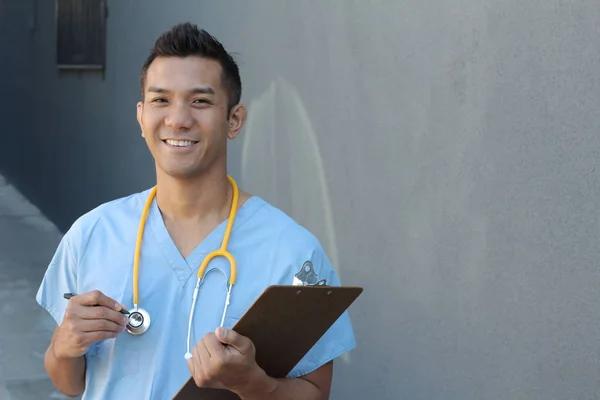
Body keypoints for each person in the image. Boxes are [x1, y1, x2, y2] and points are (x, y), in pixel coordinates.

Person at [36, 22, 356, 399]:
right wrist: (62, 347)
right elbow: (69, 383)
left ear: (233, 120)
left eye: (200, 101)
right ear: (141, 117)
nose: (178, 119)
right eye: (160, 100)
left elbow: (316, 394)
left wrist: (255, 384)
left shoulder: (293, 254)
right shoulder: (92, 234)